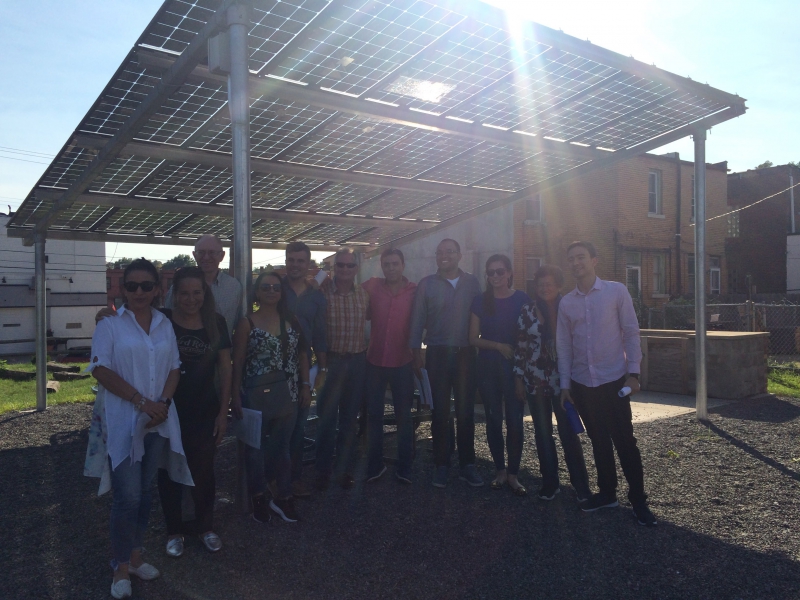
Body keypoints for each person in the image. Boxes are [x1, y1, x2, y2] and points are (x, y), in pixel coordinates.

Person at [84, 259, 189, 599]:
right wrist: (142, 402)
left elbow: (174, 367)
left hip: (158, 421)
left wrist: (163, 405)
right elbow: (100, 369)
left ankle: (135, 555)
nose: (139, 292)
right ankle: (119, 566)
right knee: (127, 497)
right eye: (132, 286)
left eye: (147, 286)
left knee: (145, 493)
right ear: (122, 288)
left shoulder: (164, 323)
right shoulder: (110, 325)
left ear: (158, 289)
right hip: (126, 422)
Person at [557, 241, 656, 526]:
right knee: (598, 440)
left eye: (581, 257)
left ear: (594, 260)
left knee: (625, 442)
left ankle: (638, 501)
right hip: (582, 384)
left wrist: (633, 374)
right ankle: (607, 493)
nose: (576, 263)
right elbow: (564, 346)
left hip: (613, 381)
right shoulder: (567, 302)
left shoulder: (616, 292)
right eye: (571, 258)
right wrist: (566, 385)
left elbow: (630, 331)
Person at [156, 267, 232, 558]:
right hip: (168, 411)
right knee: (169, 473)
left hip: (204, 409)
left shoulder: (216, 322)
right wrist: (105, 316)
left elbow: (225, 368)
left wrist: (223, 412)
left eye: (197, 292)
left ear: (205, 293)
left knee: (204, 472)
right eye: (184, 293)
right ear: (175, 293)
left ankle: (205, 527)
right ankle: (174, 531)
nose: (191, 299)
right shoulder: (161, 320)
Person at [231, 272, 311, 524]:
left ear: (281, 292)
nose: (271, 291)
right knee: (254, 450)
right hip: (254, 396)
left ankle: (283, 496)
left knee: (282, 449)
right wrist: (234, 393)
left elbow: (302, 356)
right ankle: (259, 497)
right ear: (256, 291)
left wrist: (306, 385)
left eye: (276, 287)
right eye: (265, 287)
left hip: (288, 393)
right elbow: (239, 361)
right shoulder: (246, 324)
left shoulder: (292, 320)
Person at [513, 265, 591, 502]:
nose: (544, 288)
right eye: (540, 285)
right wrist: (518, 378)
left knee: (568, 432)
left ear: (558, 286)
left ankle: (581, 485)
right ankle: (550, 482)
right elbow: (521, 346)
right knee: (542, 432)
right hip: (535, 380)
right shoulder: (527, 311)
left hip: (564, 381)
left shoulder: (568, 307)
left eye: (549, 284)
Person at [410, 239, 483, 489]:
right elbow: (417, 318)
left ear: (459, 255)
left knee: (465, 412)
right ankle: (441, 465)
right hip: (437, 354)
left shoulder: (472, 283)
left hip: (465, 354)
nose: (444, 256)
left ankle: (467, 465)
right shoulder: (426, 284)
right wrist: (415, 351)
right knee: (439, 412)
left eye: (449, 251)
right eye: (440, 252)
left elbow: (483, 314)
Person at [469, 254, 530, 495]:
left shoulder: (522, 300)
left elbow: (529, 335)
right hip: (487, 368)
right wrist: (498, 346)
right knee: (493, 420)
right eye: (491, 272)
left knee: (515, 421)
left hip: (514, 371)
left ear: (509, 273)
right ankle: (499, 472)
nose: (495, 276)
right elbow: (472, 338)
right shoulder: (480, 301)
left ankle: (514, 474)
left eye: (500, 271)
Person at [314, 247, 370, 491]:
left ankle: (344, 470)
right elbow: (303, 286)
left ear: (356, 269)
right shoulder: (321, 291)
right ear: (333, 267)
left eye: (350, 265)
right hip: (331, 362)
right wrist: (319, 275)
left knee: (349, 421)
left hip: (357, 362)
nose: (345, 269)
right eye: (341, 265)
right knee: (326, 419)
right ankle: (322, 472)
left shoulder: (364, 294)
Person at [363, 248, 417, 484]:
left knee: (404, 416)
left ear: (403, 265)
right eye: (387, 264)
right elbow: (343, 285)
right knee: (373, 415)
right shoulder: (372, 286)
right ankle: (375, 465)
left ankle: (405, 466)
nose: (391, 268)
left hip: (403, 361)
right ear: (382, 266)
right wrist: (318, 280)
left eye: (395, 263)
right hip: (374, 360)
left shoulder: (415, 291)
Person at [282, 241, 328, 498]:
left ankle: (294, 477)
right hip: (275, 366)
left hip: (303, 368)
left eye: (301, 261)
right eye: (292, 259)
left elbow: (320, 334)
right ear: (286, 261)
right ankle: (273, 478)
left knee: (298, 427)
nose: (295, 265)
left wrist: (322, 368)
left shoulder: (316, 296)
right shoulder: (274, 288)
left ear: (308, 264)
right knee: (276, 426)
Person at [164, 234, 243, 338]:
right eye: (201, 252)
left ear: (222, 255)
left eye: (211, 252)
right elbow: (167, 319)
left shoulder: (234, 287)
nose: (206, 257)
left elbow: (238, 326)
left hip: (221, 351)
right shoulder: (179, 286)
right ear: (194, 255)